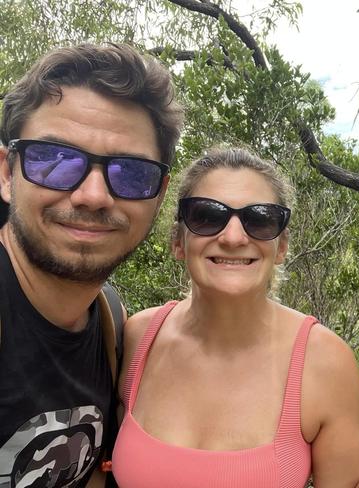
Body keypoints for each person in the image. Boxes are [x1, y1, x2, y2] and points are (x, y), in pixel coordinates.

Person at [112, 147, 359, 487]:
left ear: (281, 247)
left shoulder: (324, 363)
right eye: (207, 216)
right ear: (179, 241)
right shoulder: (138, 337)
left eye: (259, 219)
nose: (233, 237)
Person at [0, 43, 183, 487]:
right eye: (56, 160)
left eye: (132, 173)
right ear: (6, 173)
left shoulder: (110, 322)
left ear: (159, 195)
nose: (94, 195)